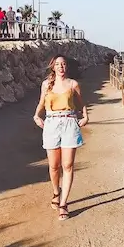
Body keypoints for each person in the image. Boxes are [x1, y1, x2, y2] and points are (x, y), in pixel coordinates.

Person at [33, 55, 88, 220]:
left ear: (67, 67)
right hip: (51, 124)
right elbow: (42, 102)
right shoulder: (46, 84)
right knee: (54, 166)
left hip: (69, 123)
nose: (60, 67)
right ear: (53, 67)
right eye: (57, 64)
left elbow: (80, 103)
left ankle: (63, 204)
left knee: (68, 165)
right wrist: (36, 115)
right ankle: (57, 192)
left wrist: (85, 116)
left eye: (63, 64)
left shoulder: (73, 84)